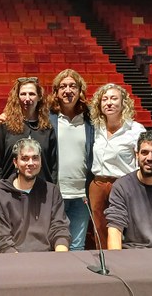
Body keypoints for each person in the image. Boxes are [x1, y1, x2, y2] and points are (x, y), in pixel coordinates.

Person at [0, 138, 70, 253]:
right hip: (13, 260)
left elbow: (60, 228)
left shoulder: (52, 192)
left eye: (35, 158)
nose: (30, 163)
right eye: (25, 159)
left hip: (47, 259)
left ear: (40, 161)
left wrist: (60, 255)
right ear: (15, 162)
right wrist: (22, 265)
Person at [89, 83, 146, 249]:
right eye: (104, 99)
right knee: (99, 229)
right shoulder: (95, 127)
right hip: (98, 185)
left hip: (123, 185)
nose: (109, 102)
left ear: (123, 103)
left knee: (125, 228)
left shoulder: (135, 129)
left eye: (114, 98)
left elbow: (143, 160)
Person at [48, 69, 94, 251]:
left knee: (77, 245)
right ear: (56, 92)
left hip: (82, 195)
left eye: (73, 86)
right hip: (55, 194)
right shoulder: (48, 118)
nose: (68, 90)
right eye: (63, 86)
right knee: (54, 245)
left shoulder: (91, 119)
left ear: (80, 91)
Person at [0, 77, 57, 189]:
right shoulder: (5, 125)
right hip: (10, 191)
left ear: (39, 97)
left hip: (41, 191)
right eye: (23, 94)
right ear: (17, 97)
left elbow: (53, 165)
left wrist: (52, 190)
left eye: (31, 94)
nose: (27, 98)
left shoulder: (47, 127)